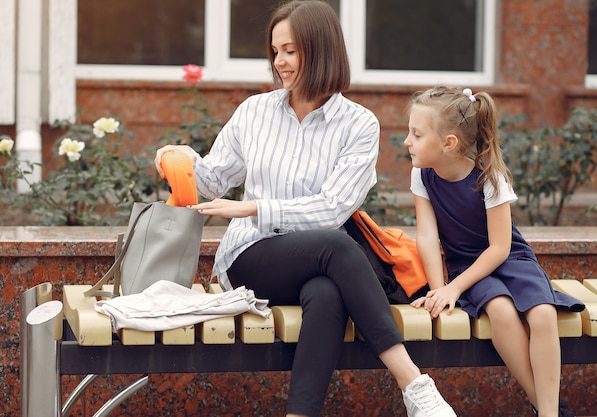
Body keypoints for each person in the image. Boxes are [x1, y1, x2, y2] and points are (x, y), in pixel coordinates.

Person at [154, 2, 456, 416]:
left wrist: (255, 206)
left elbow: (332, 209)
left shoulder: (359, 125)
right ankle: (416, 386)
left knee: (327, 293)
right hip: (251, 258)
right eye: (276, 51)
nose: (280, 62)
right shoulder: (254, 112)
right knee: (336, 247)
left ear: (322, 49)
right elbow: (212, 179)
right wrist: (181, 160)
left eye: (291, 50)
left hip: (320, 262)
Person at [404, 86, 585, 417]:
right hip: (468, 268)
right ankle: (551, 410)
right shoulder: (422, 176)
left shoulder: (490, 178)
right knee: (500, 311)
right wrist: (439, 288)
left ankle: (547, 413)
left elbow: (501, 247)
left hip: (509, 259)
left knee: (543, 314)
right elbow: (428, 236)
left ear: (449, 143)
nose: (407, 142)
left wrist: (454, 288)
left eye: (416, 134)